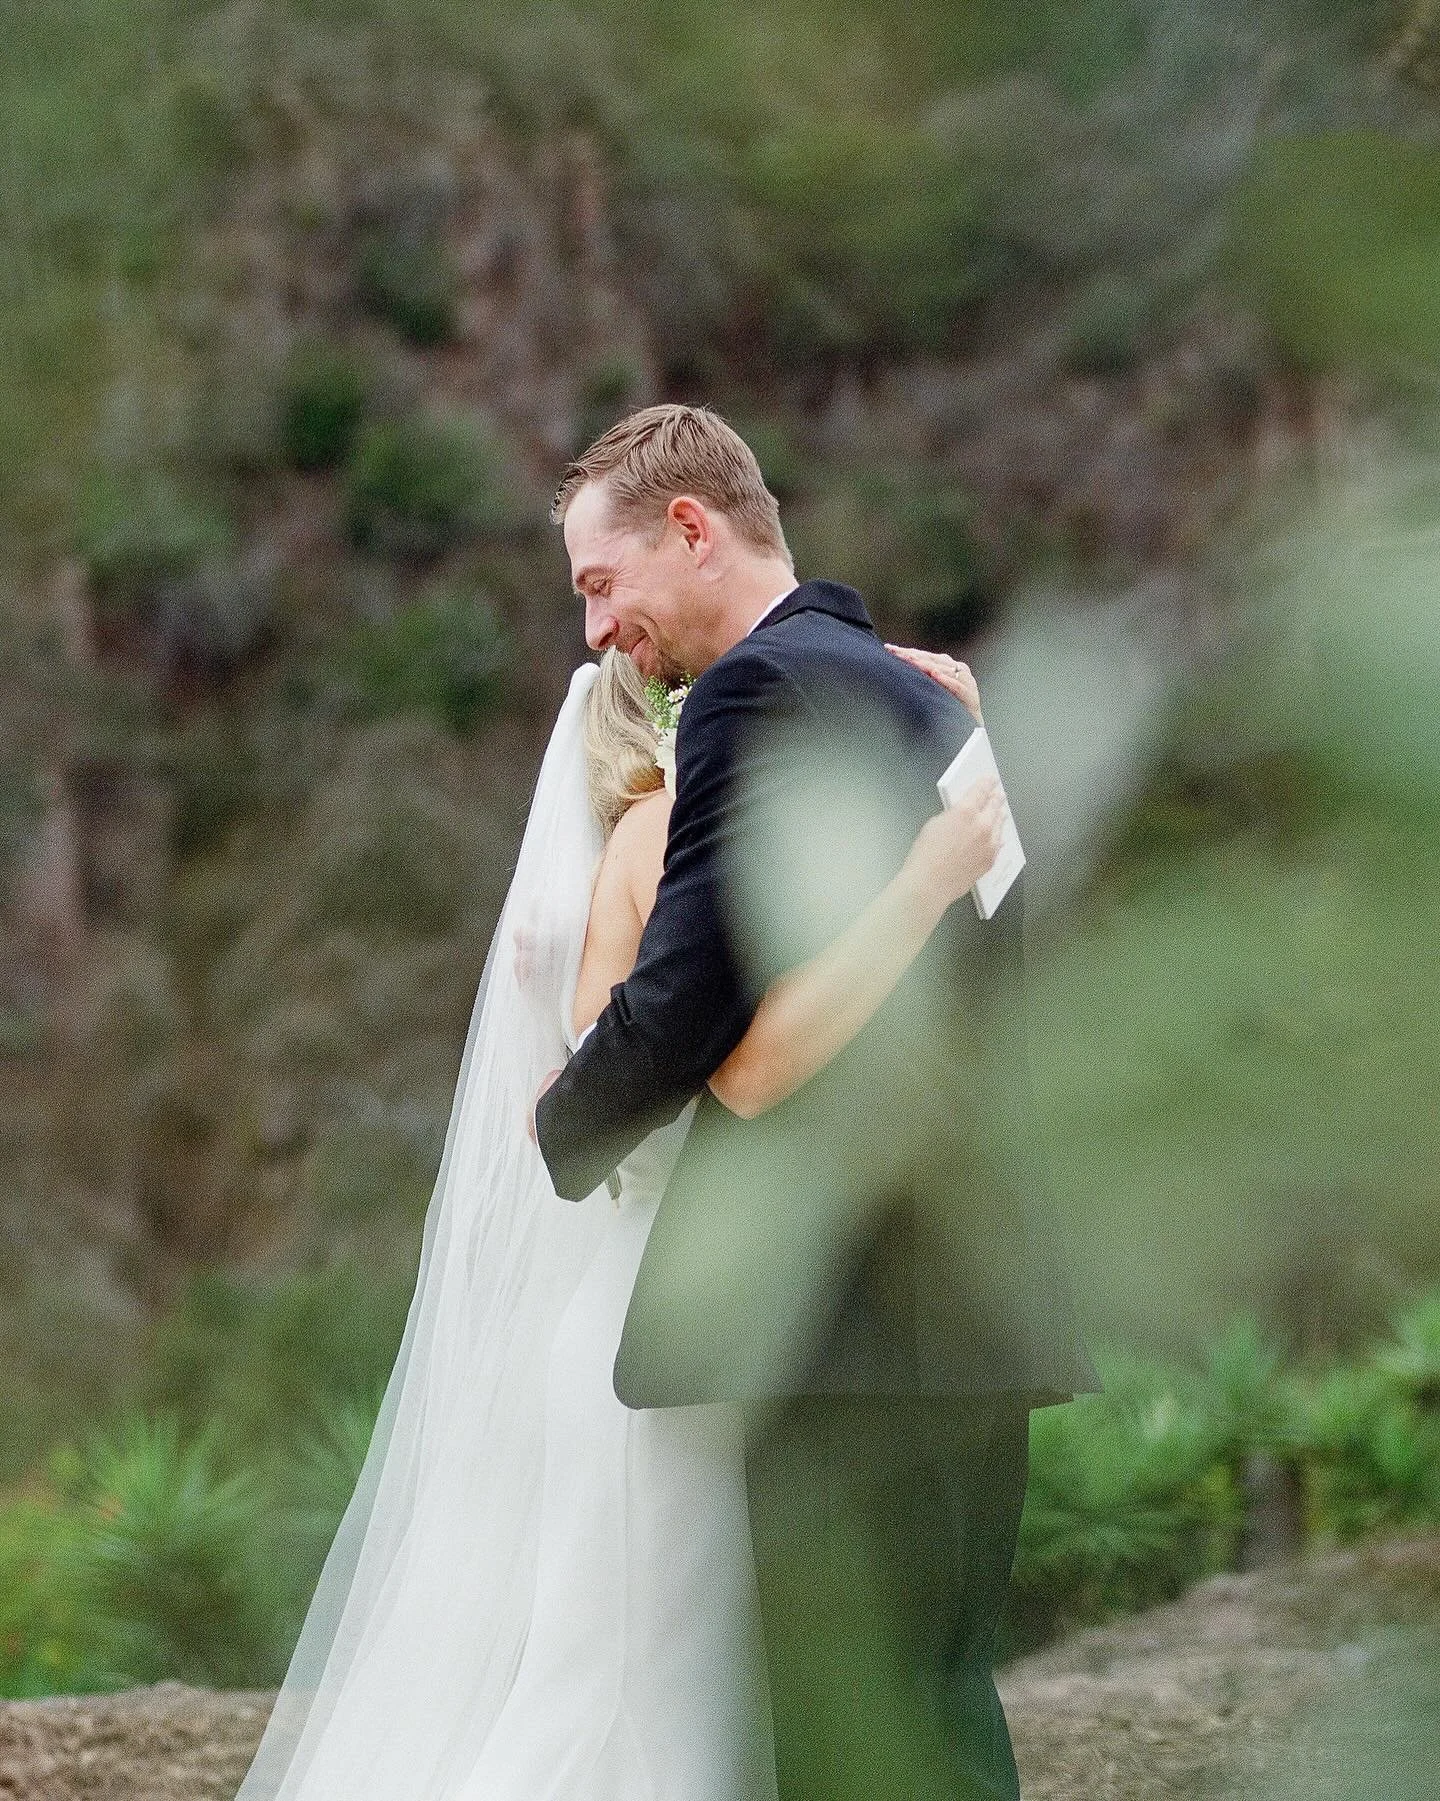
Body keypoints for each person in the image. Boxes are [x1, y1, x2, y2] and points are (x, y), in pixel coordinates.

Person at [231, 621, 1007, 1794]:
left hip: (669, 1309)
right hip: (666, 1322)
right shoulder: (659, 848)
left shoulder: (646, 860)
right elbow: (696, 1070)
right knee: (645, 1685)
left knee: (677, 1676)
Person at [535, 403, 1099, 1801]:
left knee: (839, 1731)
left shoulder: (751, 693)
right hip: (975, 1295)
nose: (600, 633)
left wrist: (554, 1127)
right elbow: (997, 965)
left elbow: (686, 1007)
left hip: (841, 1317)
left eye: (602, 587)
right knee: (946, 1715)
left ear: (690, 527)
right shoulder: (929, 700)